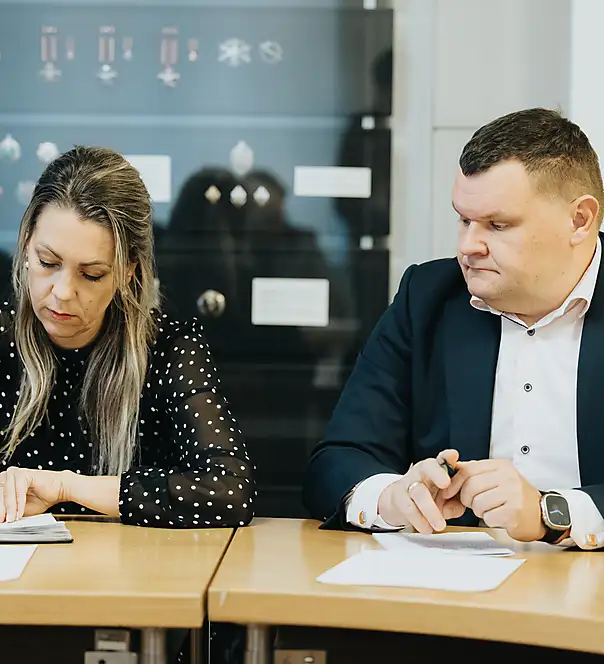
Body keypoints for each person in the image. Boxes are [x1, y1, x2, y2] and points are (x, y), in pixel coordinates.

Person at [304, 108, 604, 550]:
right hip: (453, 580)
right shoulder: (427, 297)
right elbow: (336, 461)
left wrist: (550, 512)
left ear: (579, 220)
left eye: (497, 225)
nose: (467, 246)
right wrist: (391, 497)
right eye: (464, 220)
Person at [0, 145, 255, 528]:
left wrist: (67, 487)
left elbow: (230, 491)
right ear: (25, 246)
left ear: (127, 271)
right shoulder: (4, 341)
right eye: (47, 262)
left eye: (91, 274)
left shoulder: (167, 348)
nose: (63, 292)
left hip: (135, 564)